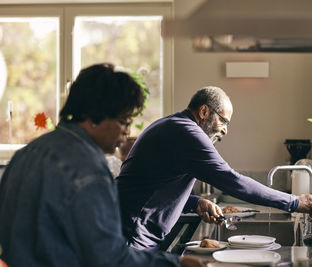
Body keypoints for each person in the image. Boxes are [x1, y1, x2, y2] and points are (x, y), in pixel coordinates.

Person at [0, 63, 204, 267]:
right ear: (93, 116)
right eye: (124, 120)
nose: (127, 131)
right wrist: (177, 264)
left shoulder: (27, 153)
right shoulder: (88, 170)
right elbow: (108, 258)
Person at [117, 86, 312, 250]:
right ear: (204, 111)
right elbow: (232, 181)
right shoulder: (187, 133)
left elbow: (154, 186)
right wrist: (293, 202)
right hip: (132, 236)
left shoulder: (173, 125)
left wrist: (195, 203)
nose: (225, 130)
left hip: (131, 231)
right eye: (223, 120)